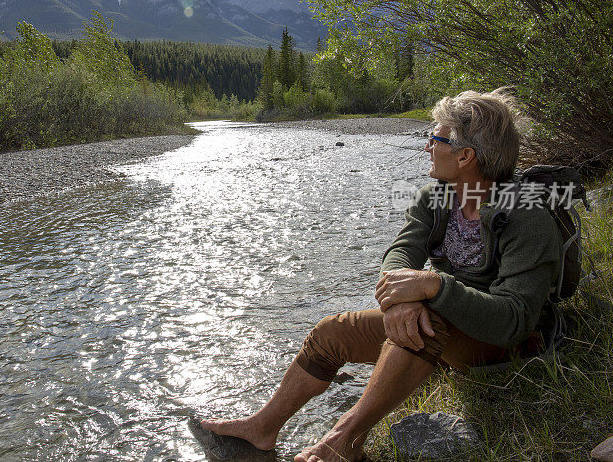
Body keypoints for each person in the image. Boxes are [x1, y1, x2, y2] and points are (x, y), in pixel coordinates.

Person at [200, 89, 561, 462]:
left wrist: (434, 287)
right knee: (331, 332)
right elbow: (401, 251)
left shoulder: (525, 216)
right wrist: (401, 296)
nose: (427, 147)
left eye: (434, 139)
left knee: (427, 323)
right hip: (442, 325)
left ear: (465, 155)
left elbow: (514, 320)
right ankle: (263, 427)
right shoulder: (437, 197)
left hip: (501, 344)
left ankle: (344, 441)